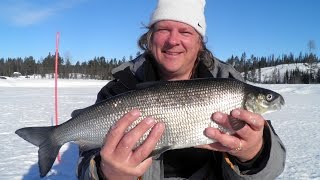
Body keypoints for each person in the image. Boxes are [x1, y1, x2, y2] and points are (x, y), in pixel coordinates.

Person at [75, 0, 286, 179]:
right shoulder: (120, 88)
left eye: (185, 31)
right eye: (164, 29)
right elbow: (85, 163)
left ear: (199, 42)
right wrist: (105, 173)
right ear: (149, 38)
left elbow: (274, 167)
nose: (173, 40)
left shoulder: (229, 85)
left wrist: (254, 153)